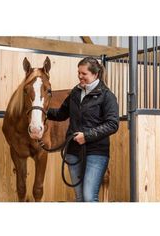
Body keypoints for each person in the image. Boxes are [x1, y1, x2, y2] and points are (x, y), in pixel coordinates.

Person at [47, 57, 119, 202]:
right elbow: (61, 114)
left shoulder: (107, 96)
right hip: (73, 151)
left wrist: (87, 136)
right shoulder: (75, 92)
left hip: (96, 152)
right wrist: (41, 111)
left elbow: (112, 124)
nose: (80, 76)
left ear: (95, 74)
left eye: (84, 74)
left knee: (88, 196)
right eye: (78, 73)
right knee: (80, 198)